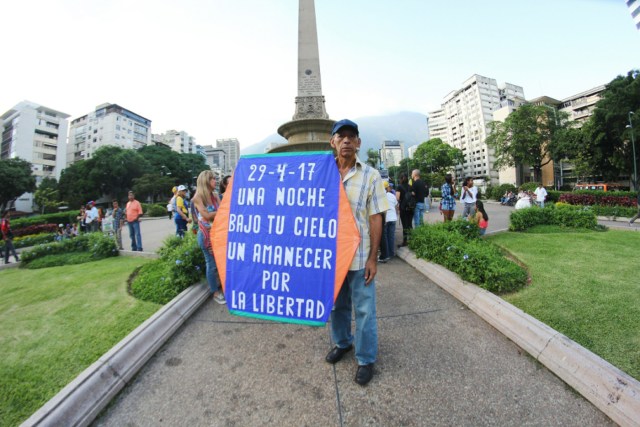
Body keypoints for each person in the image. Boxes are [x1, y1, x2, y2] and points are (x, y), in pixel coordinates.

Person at [324, 119, 389, 387]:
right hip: (330, 259)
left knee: (364, 311)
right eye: (342, 136)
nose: (347, 141)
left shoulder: (371, 175)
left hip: (361, 256)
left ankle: (365, 358)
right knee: (338, 307)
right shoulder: (322, 174)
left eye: (352, 136)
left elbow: (376, 217)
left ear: (359, 142)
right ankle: (342, 343)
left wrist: (374, 257)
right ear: (333, 142)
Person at [193, 170, 226, 304]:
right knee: (211, 265)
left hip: (218, 233)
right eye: (212, 178)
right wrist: (221, 211)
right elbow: (206, 216)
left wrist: (219, 212)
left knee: (221, 263)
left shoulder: (215, 195)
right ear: (206, 181)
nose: (215, 181)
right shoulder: (198, 197)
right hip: (206, 236)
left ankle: (223, 287)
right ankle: (215, 292)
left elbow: (219, 212)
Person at [378, 180, 398, 263]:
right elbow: (396, 205)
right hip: (393, 218)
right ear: (387, 188)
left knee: (384, 238)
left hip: (386, 219)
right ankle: (391, 253)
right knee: (391, 236)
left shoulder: (381, 196)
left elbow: (383, 210)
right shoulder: (392, 195)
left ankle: (386, 255)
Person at [396, 173, 413, 247]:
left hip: (403, 208)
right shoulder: (410, 186)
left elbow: (397, 198)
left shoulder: (399, 187)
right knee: (410, 224)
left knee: (405, 225)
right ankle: (412, 240)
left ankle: (405, 241)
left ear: (401, 179)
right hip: (411, 208)